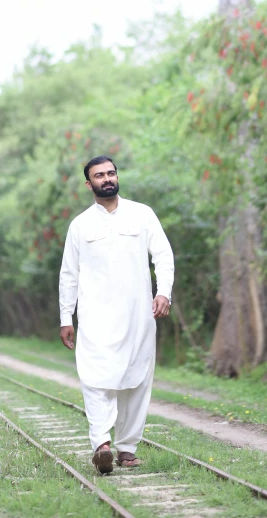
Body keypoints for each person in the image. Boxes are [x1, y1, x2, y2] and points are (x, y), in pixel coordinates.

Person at [59, 155, 174, 474]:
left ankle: (127, 448)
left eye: (111, 173)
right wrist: (66, 317)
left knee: (137, 380)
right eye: (99, 175)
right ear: (89, 184)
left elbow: (163, 255)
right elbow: (69, 274)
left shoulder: (142, 214)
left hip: (138, 315)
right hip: (95, 316)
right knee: (95, 378)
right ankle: (101, 444)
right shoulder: (80, 225)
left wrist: (163, 291)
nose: (107, 178)